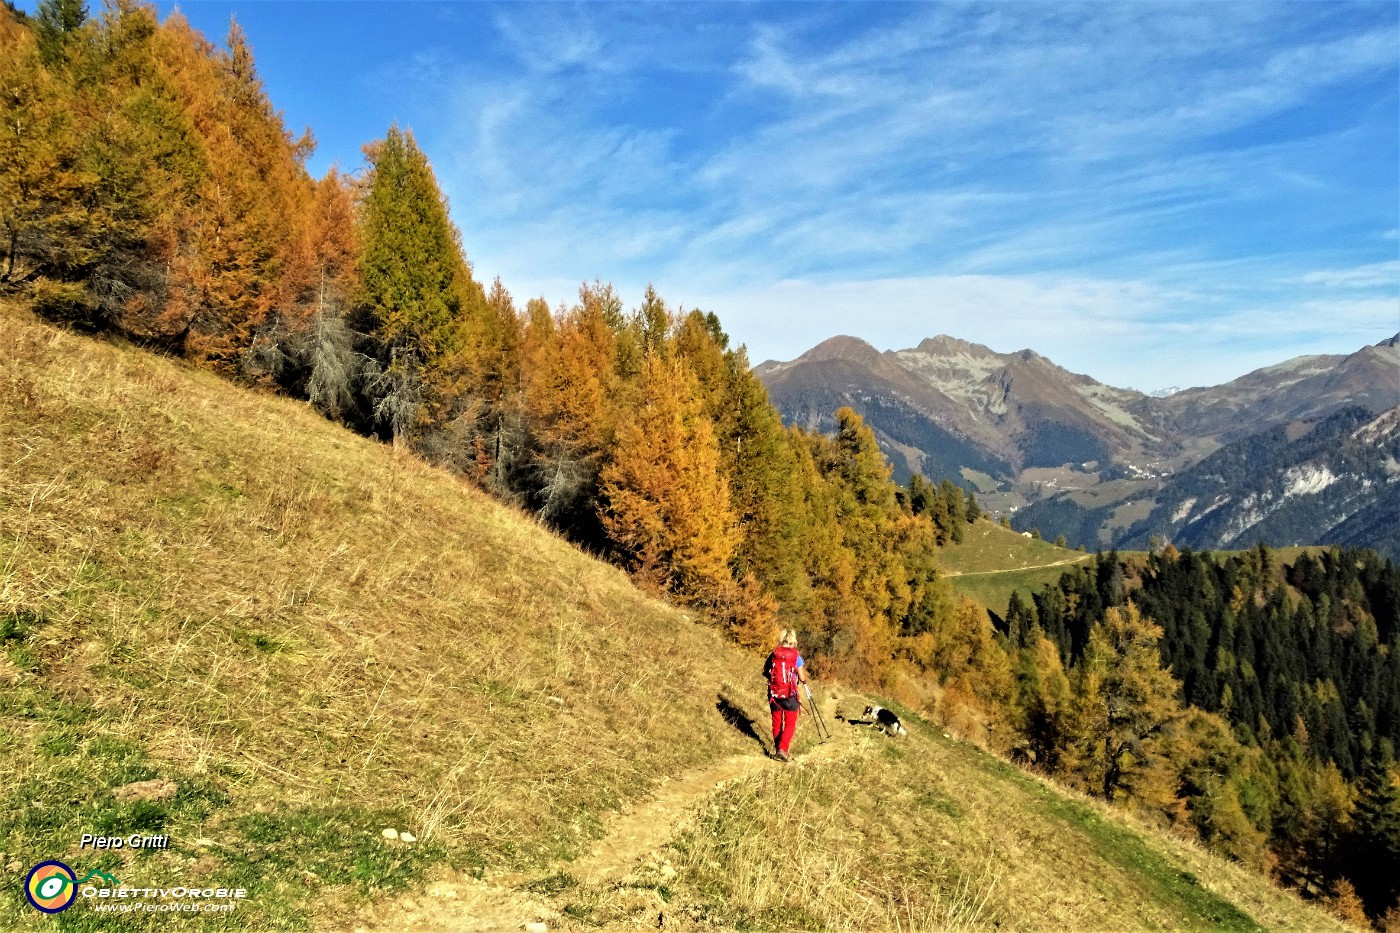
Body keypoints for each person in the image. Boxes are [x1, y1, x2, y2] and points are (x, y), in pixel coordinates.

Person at [763, 628, 808, 762]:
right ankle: (783, 750)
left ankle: (778, 750)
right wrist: (803, 681)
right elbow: (801, 676)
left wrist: (773, 679)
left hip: (774, 693)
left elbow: (765, 671)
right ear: (793, 641)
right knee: (790, 724)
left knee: (776, 722)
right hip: (790, 695)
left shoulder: (774, 654)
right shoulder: (796, 656)